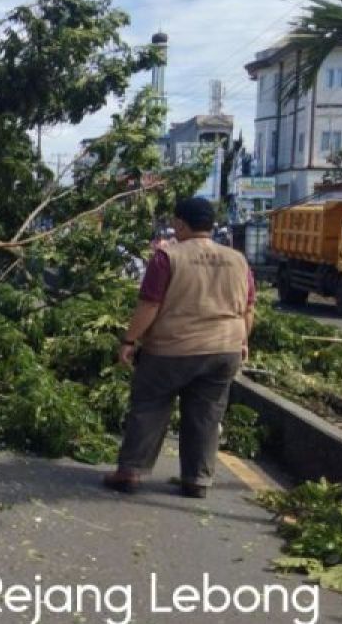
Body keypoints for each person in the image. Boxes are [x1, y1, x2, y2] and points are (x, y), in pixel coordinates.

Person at [103, 197, 254, 498]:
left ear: (181, 223)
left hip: (172, 349)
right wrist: (242, 340)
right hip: (224, 349)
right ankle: (197, 480)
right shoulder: (238, 260)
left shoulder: (167, 257)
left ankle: (130, 472)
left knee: (149, 405)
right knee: (207, 415)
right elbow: (248, 307)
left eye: (175, 221)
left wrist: (129, 341)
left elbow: (150, 305)